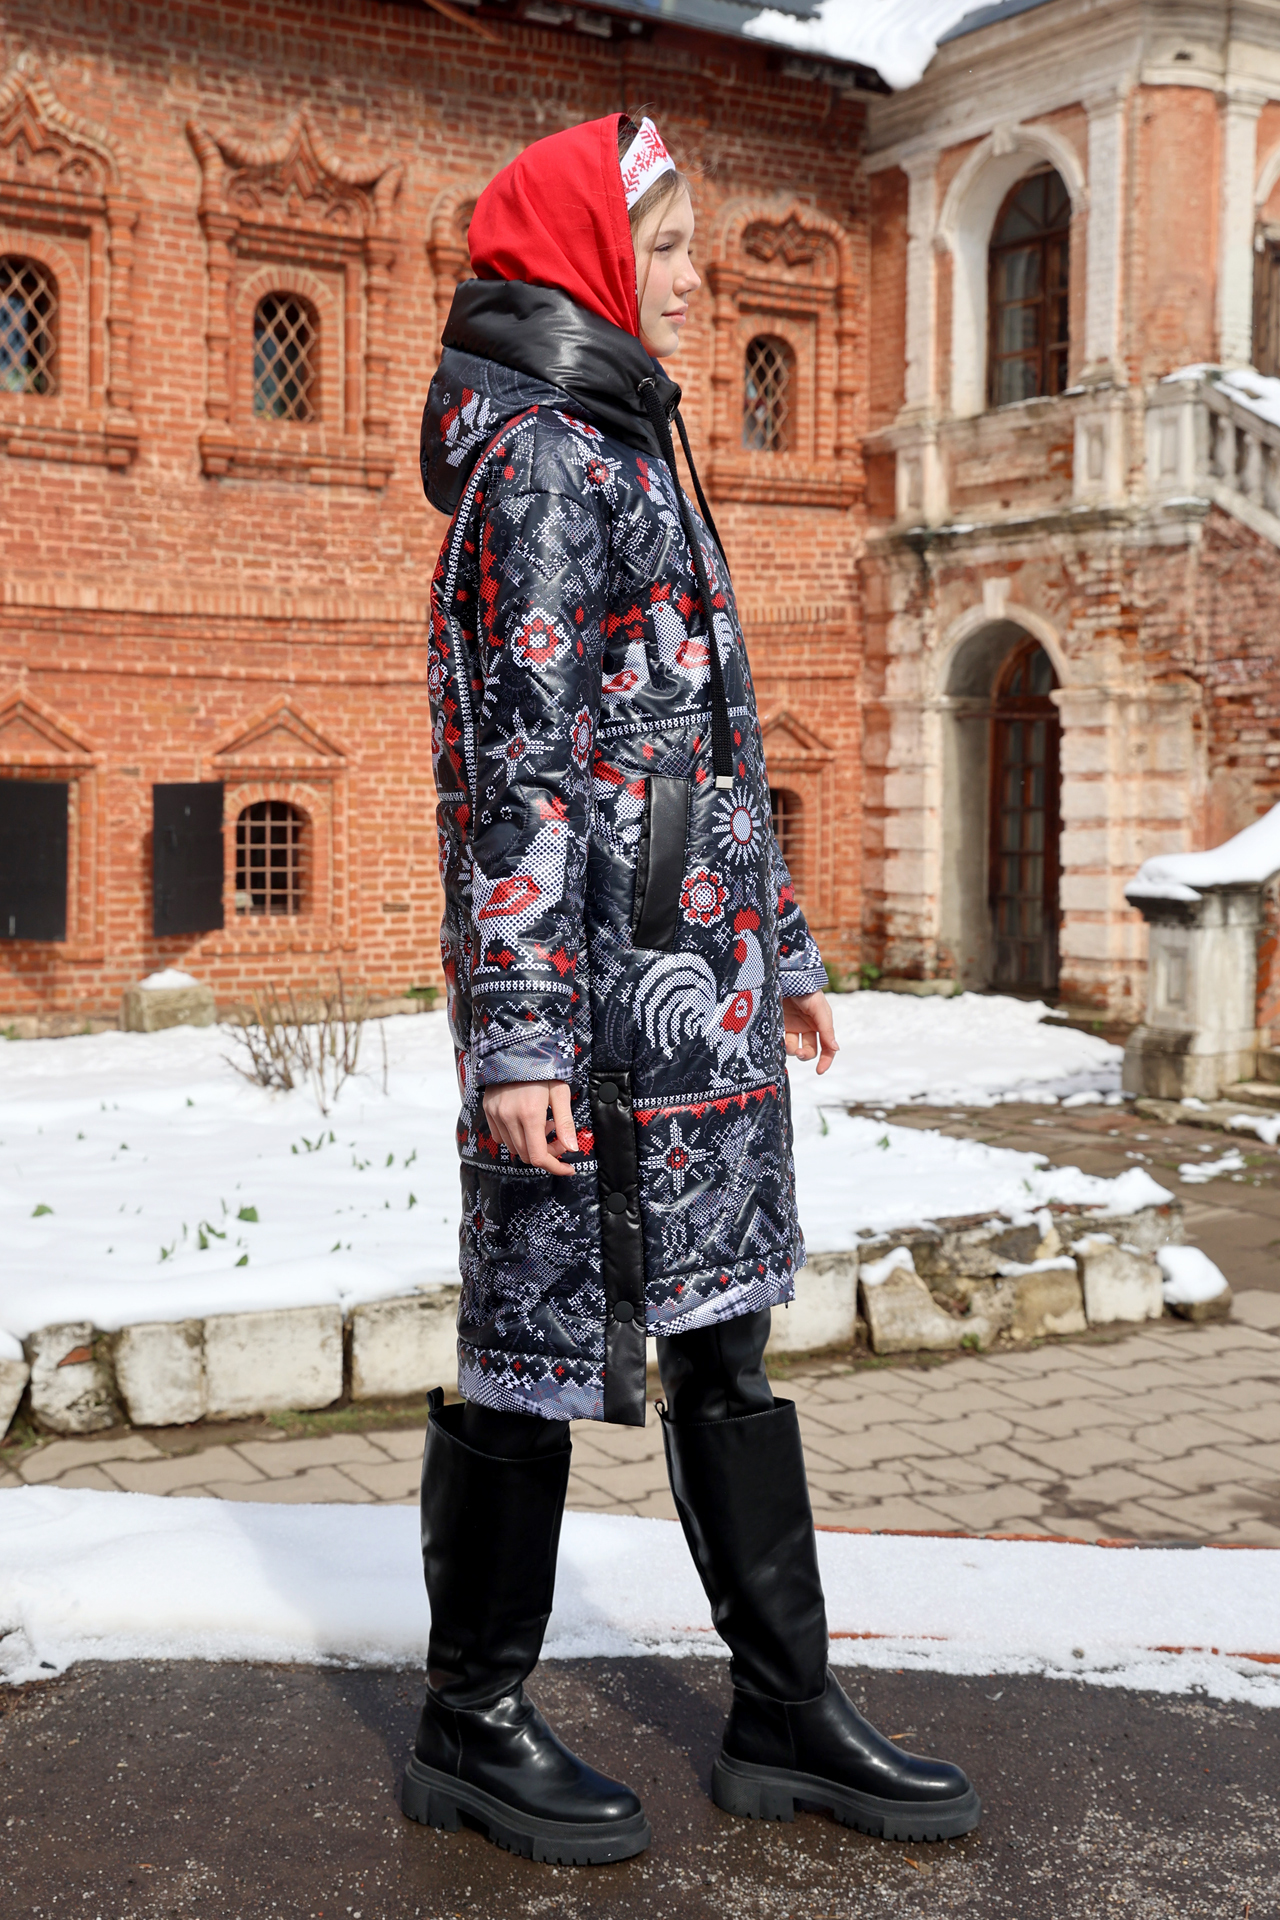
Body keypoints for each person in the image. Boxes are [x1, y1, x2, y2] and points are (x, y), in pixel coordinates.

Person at [404, 112, 980, 1867]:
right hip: (583, 1016)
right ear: (582, 253)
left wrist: (776, 946)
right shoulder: (540, 465)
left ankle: (782, 1710)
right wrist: (516, 1032)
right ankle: (471, 1721)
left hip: (697, 989)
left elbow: (704, 745)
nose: (692, 276)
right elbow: (519, 765)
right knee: (536, 1349)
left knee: (726, 1342)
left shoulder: (631, 439)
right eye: (661, 245)